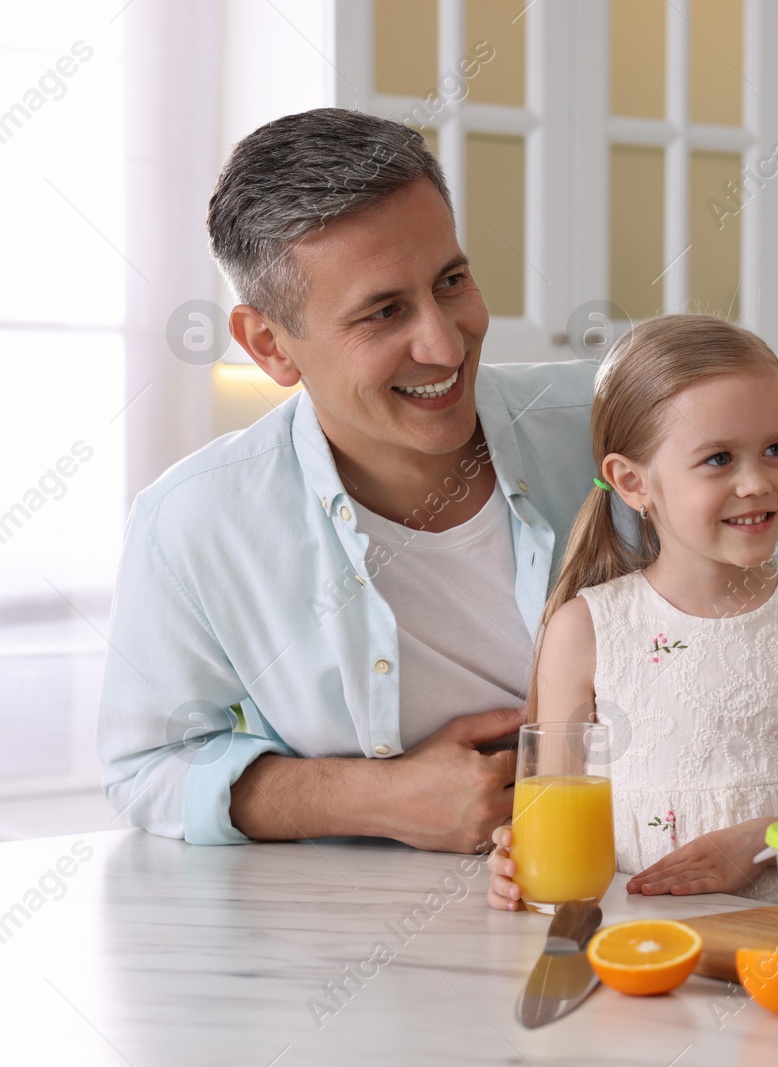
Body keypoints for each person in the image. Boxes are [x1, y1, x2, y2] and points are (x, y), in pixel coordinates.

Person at [98, 109, 613, 854]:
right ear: (270, 345)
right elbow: (146, 766)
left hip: (649, 896)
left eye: (452, 281)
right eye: (383, 313)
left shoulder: (622, 426)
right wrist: (374, 799)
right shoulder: (192, 524)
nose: (443, 344)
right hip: (361, 935)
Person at [484, 315, 778, 908]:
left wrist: (763, 840)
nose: (756, 483)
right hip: (633, 949)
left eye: (777, 449)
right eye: (719, 459)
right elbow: (550, 811)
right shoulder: (585, 631)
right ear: (632, 482)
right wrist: (515, 863)